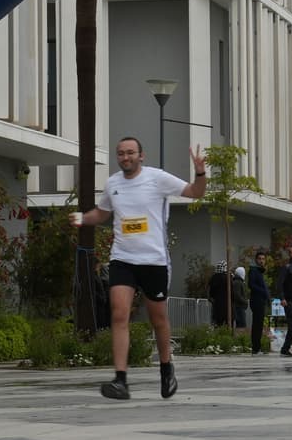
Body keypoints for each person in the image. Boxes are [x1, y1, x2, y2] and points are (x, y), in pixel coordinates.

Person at [69, 138, 206, 401]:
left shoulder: (158, 179)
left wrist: (200, 172)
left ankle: (167, 368)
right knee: (119, 314)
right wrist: (82, 218)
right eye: (120, 153)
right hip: (122, 258)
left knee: (158, 319)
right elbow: (102, 213)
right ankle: (120, 380)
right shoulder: (113, 184)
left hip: (154, 260)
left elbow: (196, 192)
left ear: (141, 155)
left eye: (130, 152)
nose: (125, 157)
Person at [247, 250, 270, 354]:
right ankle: (256, 348)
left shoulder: (260, 271)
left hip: (261, 300)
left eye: (263, 259)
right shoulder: (253, 270)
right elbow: (251, 285)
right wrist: (263, 291)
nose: (261, 261)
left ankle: (257, 347)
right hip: (256, 300)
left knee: (259, 325)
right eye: (259, 259)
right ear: (256, 260)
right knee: (257, 325)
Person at [208, 261, 229, 327]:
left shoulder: (213, 277)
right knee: (226, 324)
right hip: (226, 304)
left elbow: (210, 290)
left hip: (216, 303)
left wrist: (211, 298)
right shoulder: (227, 277)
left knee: (216, 322)